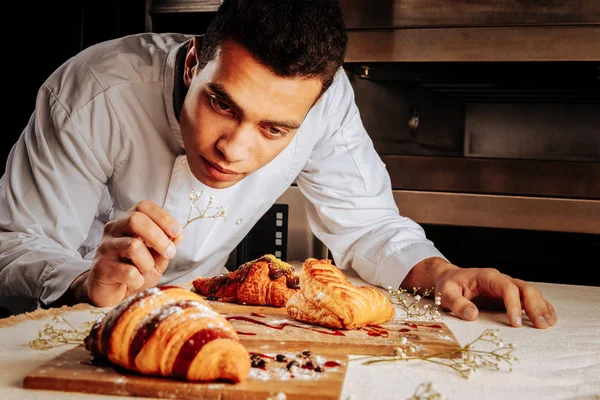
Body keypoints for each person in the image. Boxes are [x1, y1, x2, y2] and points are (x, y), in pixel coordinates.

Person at [0, 0, 556, 329]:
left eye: (275, 129)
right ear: (194, 61)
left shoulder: (325, 99)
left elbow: (368, 224)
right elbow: (16, 242)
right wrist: (83, 281)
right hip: (71, 318)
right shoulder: (95, 91)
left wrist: (442, 274)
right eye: (223, 104)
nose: (233, 150)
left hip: (208, 320)